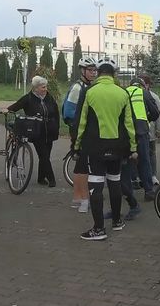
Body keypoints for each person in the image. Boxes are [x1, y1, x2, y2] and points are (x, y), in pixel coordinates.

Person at [74, 57, 137, 241]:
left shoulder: (90, 92)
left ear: (99, 73)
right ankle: (117, 221)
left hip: (95, 146)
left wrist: (76, 145)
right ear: (114, 74)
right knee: (114, 181)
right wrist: (133, 147)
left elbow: (82, 122)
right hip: (117, 146)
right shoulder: (123, 93)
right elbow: (129, 124)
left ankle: (99, 229)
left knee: (96, 185)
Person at [5, 76, 60, 187]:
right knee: (43, 155)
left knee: (45, 156)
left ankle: (41, 178)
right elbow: (17, 105)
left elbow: (56, 113)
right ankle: (51, 179)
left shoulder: (49, 98)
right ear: (35, 88)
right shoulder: (28, 98)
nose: (45, 89)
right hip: (36, 131)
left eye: (45, 87)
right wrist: (7, 110)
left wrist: (57, 127)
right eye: (43, 87)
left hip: (49, 131)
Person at [62, 57, 97, 213]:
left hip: (82, 130)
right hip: (79, 131)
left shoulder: (88, 86)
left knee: (79, 166)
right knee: (83, 166)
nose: (93, 73)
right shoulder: (78, 87)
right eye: (90, 70)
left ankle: (77, 198)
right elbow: (69, 111)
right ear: (82, 71)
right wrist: (79, 130)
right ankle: (83, 200)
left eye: (95, 70)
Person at [125, 77, 158, 201]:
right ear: (142, 85)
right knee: (144, 160)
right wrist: (146, 119)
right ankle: (148, 191)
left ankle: (129, 189)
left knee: (127, 159)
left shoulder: (124, 92)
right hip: (141, 131)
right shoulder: (145, 93)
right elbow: (155, 113)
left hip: (126, 131)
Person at [139, 74, 160, 186]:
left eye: (143, 84)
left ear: (147, 85)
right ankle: (139, 176)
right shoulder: (135, 95)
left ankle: (153, 175)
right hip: (139, 131)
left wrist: (159, 129)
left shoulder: (153, 96)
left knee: (151, 153)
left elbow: (159, 114)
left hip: (151, 130)